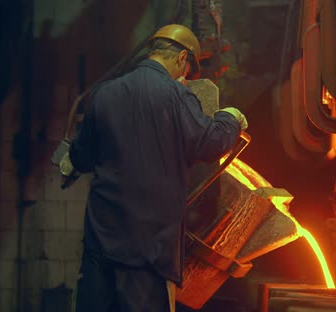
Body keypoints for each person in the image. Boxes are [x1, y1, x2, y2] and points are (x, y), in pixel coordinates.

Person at [63, 24, 248, 311]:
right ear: (182, 59)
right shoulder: (175, 96)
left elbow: (81, 157)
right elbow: (210, 144)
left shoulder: (104, 93)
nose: (183, 78)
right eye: (186, 71)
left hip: (102, 243)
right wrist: (230, 119)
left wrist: (69, 155)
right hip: (148, 250)